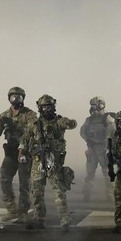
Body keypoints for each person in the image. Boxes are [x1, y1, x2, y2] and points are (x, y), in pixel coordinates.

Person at [18, 94, 77, 232]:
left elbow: (72, 124)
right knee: (36, 192)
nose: (47, 109)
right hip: (37, 162)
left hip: (54, 162)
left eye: (50, 106)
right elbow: (25, 140)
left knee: (59, 191)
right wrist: (21, 153)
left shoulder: (58, 122)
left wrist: (68, 122)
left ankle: (65, 218)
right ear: (40, 108)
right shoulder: (34, 124)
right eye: (44, 106)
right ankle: (39, 219)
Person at [0, 86, 37, 223]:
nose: (16, 99)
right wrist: (1, 123)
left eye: (19, 97)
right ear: (9, 98)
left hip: (25, 153)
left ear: (23, 98)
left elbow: (32, 131)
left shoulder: (30, 114)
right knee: (4, 179)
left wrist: (23, 146)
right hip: (11, 153)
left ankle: (23, 212)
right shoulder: (4, 115)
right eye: (13, 97)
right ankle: (11, 210)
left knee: (24, 184)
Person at [80, 96, 116, 202]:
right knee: (89, 173)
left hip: (104, 149)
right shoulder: (90, 120)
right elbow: (82, 131)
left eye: (94, 106)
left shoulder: (107, 118)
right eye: (92, 106)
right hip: (92, 148)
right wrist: (88, 139)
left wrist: (107, 144)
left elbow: (112, 131)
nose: (93, 108)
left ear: (101, 106)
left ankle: (110, 195)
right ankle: (86, 194)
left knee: (107, 173)